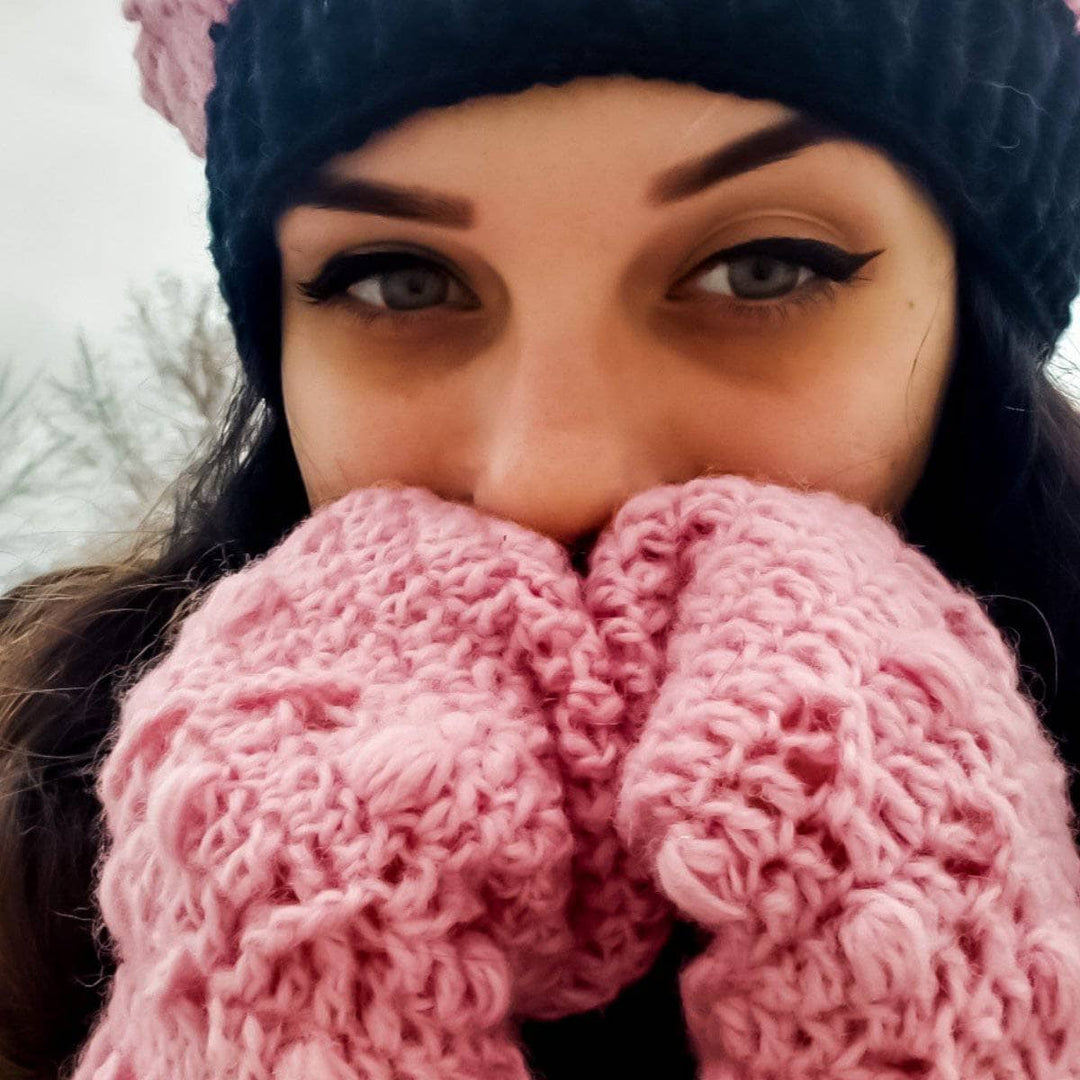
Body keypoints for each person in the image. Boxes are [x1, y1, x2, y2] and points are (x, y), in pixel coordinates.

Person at [4, 0, 1080, 1077]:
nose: (547, 480)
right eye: (398, 282)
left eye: (763, 269)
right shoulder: (25, 815)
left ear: (970, 330)